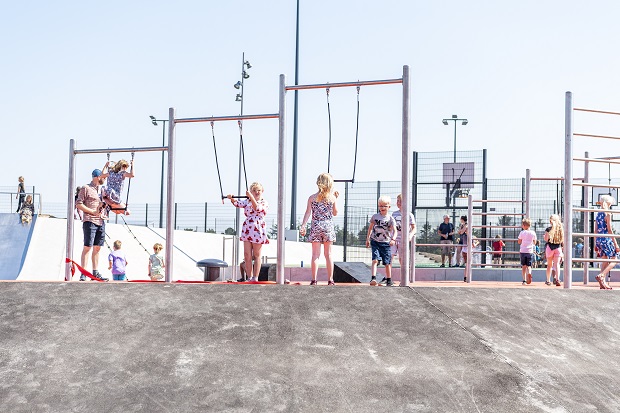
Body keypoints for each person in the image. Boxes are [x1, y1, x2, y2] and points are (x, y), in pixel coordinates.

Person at [299, 173, 339, 286]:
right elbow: (335, 213)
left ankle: (314, 279)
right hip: (328, 226)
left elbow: (308, 212)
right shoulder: (332, 198)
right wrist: (336, 199)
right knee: (329, 255)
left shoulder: (312, 198)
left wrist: (303, 225)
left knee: (315, 254)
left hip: (316, 225)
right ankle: (330, 280)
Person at [227, 182, 269, 282]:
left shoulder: (264, 202)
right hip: (247, 228)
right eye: (254, 190)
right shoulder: (247, 201)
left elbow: (257, 208)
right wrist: (231, 198)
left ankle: (255, 277)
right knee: (247, 254)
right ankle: (249, 277)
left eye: (258, 190)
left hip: (258, 228)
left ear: (262, 191)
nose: (257, 192)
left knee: (257, 254)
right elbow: (238, 203)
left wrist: (251, 197)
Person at [75, 169, 109, 281]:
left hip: (101, 221)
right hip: (90, 220)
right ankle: (83, 273)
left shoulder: (102, 190)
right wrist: (92, 211)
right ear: (97, 177)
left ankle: (95, 272)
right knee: (87, 247)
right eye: (102, 177)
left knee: (97, 247)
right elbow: (78, 204)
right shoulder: (86, 188)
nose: (104, 178)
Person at [366, 196, 397, 286]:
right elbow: (370, 228)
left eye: (384, 206)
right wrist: (368, 239)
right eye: (380, 206)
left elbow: (395, 231)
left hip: (386, 243)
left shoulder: (391, 219)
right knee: (375, 260)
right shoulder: (375, 217)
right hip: (375, 241)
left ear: (389, 207)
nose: (382, 208)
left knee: (387, 262)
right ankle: (373, 278)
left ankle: (389, 280)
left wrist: (393, 239)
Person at [388, 193, 416, 285]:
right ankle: (388, 278)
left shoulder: (409, 215)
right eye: (397, 201)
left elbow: (414, 228)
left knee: (402, 259)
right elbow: (391, 226)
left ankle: (404, 279)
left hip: (403, 240)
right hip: (394, 239)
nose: (399, 203)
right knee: (390, 257)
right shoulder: (394, 214)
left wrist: (410, 235)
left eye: (401, 201)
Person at [594, 195, 618, 290]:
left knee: (604, 261)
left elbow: (595, 230)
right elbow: (609, 230)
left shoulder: (598, 214)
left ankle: (602, 283)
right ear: (609, 203)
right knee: (615, 259)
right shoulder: (608, 213)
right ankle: (602, 275)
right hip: (606, 239)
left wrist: (596, 242)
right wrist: (616, 244)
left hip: (599, 239)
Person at [544, 214, 564, 287]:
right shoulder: (560, 229)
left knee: (549, 265)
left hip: (549, 248)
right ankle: (558, 279)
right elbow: (562, 240)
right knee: (557, 265)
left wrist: (545, 237)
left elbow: (546, 239)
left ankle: (548, 280)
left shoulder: (548, 229)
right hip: (558, 248)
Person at [517, 218, 537, 285]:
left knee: (523, 266)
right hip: (530, 251)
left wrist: (522, 241)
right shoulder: (533, 232)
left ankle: (524, 280)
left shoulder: (522, 232)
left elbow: (519, 242)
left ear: (524, 225)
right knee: (529, 266)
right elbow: (535, 242)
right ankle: (529, 273)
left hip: (523, 251)